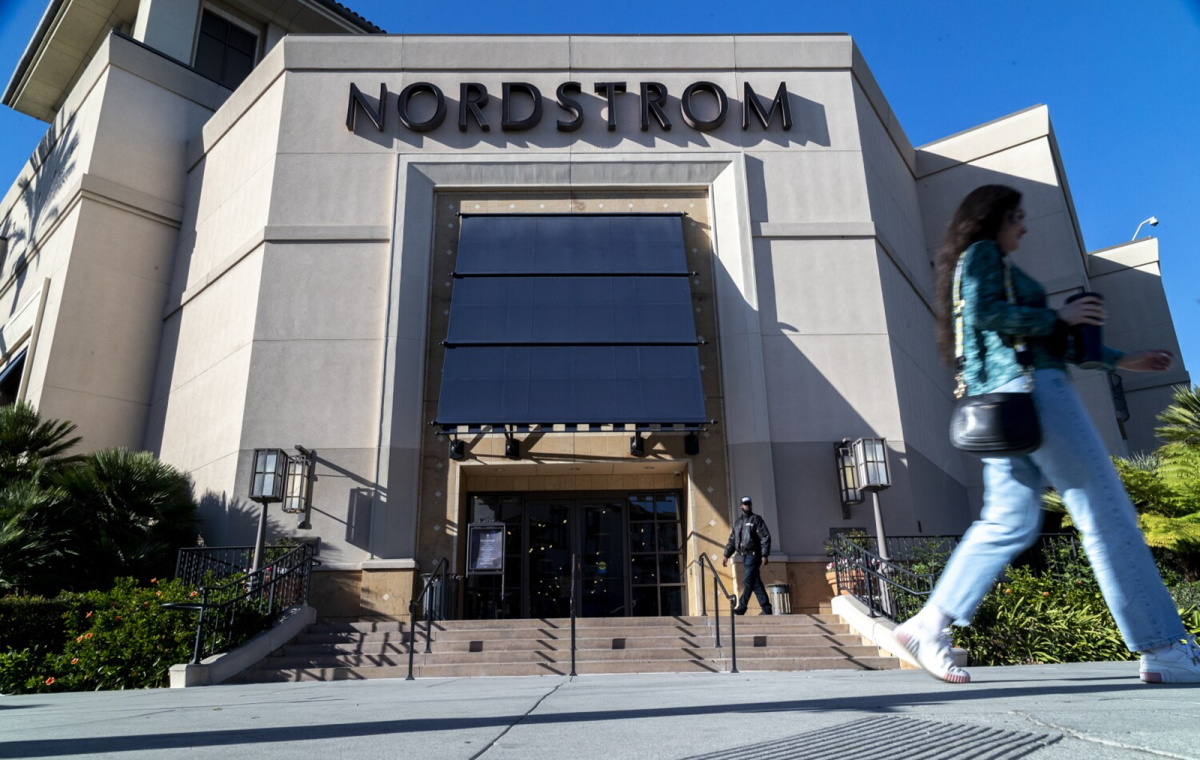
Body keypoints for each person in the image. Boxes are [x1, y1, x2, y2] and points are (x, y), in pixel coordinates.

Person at [894, 184, 1199, 685]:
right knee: (1105, 511)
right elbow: (988, 313)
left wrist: (1124, 360)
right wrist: (1059, 314)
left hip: (1009, 404)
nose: (1025, 226)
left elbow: (1044, 338)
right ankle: (1162, 647)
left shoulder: (989, 262)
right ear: (993, 218)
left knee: (1007, 522)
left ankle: (928, 625)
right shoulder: (983, 254)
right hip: (1034, 395)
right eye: (1017, 216)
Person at [723, 496, 773, 615]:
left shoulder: (756, 519)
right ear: (741, 506)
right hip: (744, 555)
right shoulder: (738, 523)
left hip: (754, 554)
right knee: (755, 582)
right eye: (745, 504)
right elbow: (732, 540)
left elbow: (765, 537)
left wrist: (764, 555)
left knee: (748, 579)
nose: (747, 506)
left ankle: (742, 607)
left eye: (749, 504)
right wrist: (726, 554)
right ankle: (766, 608)